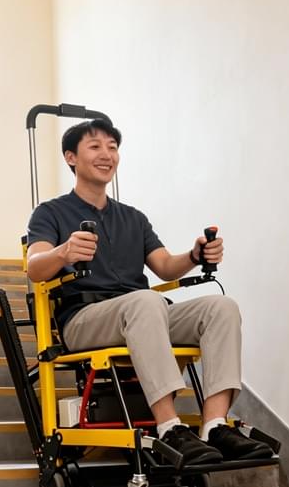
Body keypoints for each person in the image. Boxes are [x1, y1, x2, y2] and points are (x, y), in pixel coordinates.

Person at [25, 119, 274, 466]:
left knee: (221, 307)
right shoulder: (50, 212)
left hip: (143, 314)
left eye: (112, 147)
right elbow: (34, 266)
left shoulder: (133, 218)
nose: (107, 154)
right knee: (146, 301)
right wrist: (63, 252)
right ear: (71, 157)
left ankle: (215, 425)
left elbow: (164, 266)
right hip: (85, 319)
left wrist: (194, 255)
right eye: (95, 146)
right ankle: (169, 425)